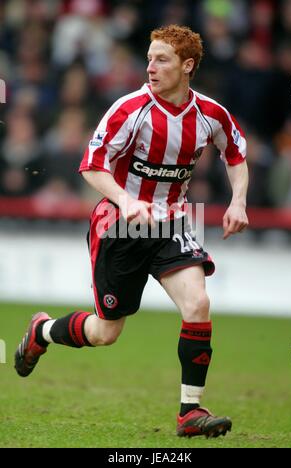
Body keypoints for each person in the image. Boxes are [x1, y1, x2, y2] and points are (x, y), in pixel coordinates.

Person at [15, 25, 248, 438]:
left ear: (187, 66)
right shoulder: (129, 109)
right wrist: (125, 200)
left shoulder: (211, 115)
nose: (150, 68)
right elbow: (91, 164)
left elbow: (235, 154)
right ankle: (42, 330)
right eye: (149, 58)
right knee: (107, 332)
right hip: (119, 227)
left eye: (161, 60)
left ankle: (189, 413)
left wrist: (238, 202)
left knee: (197, 304)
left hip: (173, 222)